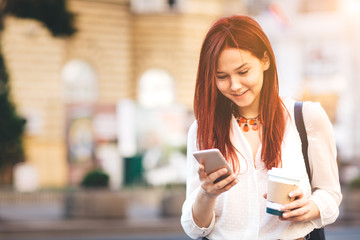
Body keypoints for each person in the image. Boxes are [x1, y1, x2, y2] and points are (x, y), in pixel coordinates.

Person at [180, 15, 342, 240]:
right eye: (222, 76)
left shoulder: (306, 117)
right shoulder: (201, 129)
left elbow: (330, 195)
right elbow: (194, 228)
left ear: (265, 61)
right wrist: (207, 194)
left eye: (243, 72)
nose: (235, 85)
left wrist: (309, 208)